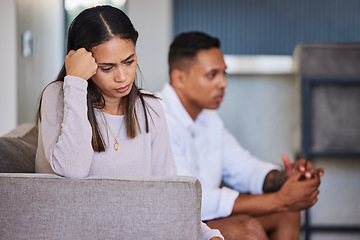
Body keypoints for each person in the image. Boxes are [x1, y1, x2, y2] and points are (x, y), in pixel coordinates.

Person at [35, 6, 223, 240]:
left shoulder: (150, 107)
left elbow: (170, 195)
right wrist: (75, 82)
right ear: (84, 64)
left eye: (128, 61)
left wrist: (208, 235)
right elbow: (72, 171)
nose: (122, 77)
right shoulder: (60, 96)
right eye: (107, 67)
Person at [158, 31, 324, 240]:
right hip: (174, 222)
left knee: (288, 214)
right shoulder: (157, 118)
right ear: (179, 77)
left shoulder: (209, 119)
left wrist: (284, 177)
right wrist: (279, 199)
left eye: (223, 74)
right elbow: (189, 198)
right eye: (212, 74)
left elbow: (243, 168)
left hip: (203, 216)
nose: (223, 83)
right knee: (247, 229)